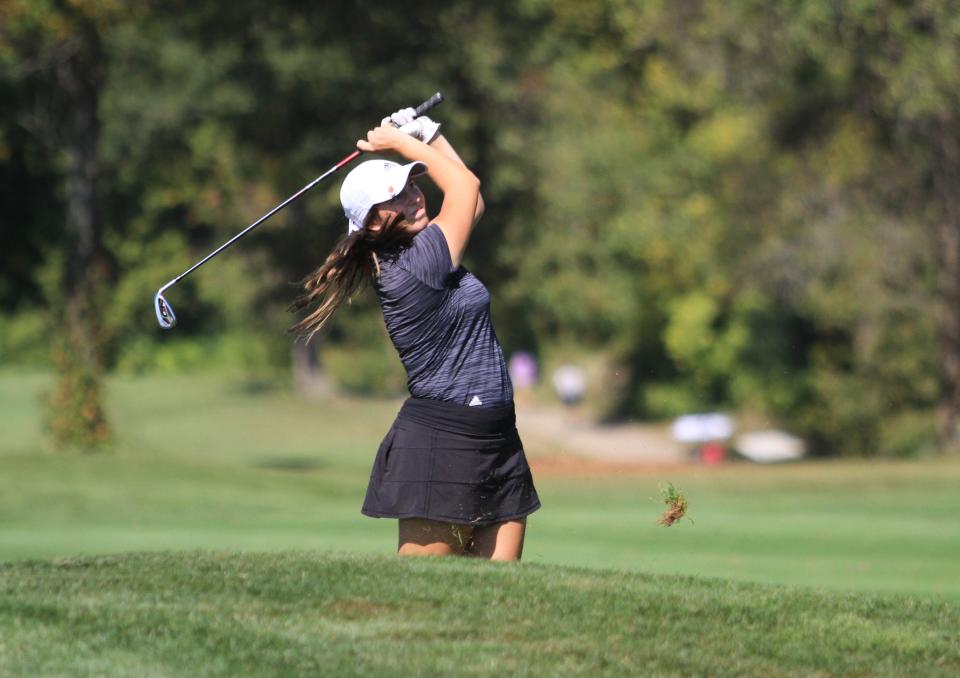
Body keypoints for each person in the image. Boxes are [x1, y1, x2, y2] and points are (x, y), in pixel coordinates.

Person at [289, 107, 541, 560]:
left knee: (500, 603)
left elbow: (472, 203)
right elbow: (466, 188)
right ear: (371, 222)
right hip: (444, 443)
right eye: (397, 196)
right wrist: (402, 142)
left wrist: (429, 134)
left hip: (497, 438)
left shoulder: (426, 248)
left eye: (411, 184)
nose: (414, 197)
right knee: (422, 600)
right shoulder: (415, 266)